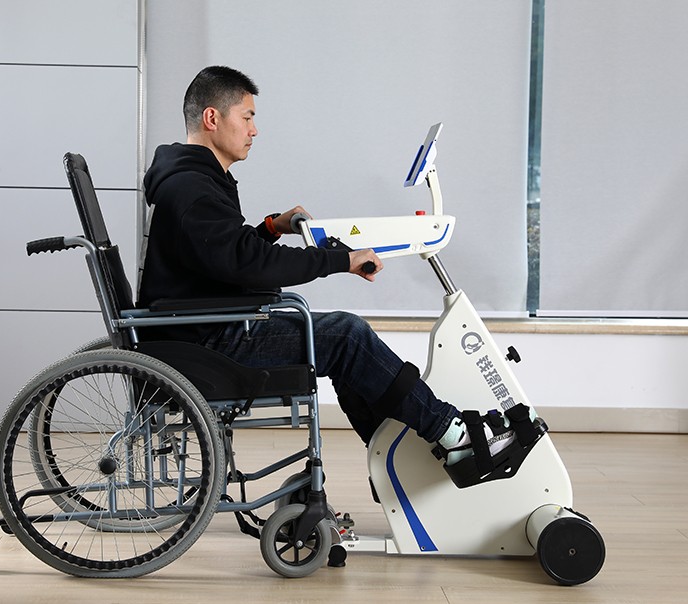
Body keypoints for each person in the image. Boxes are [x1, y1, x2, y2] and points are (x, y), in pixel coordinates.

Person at [138, 65, 535, 472]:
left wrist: (270, 228)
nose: (254, 130)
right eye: (247, 117)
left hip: (208, 330)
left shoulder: (193, 179)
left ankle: (400, 463)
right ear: (212, 118)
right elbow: (248, 264)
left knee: (342, 343)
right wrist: (342, 260)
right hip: (208, 346)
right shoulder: (192, 188)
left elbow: (221, 255)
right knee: (346, 336)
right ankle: (452, 434)